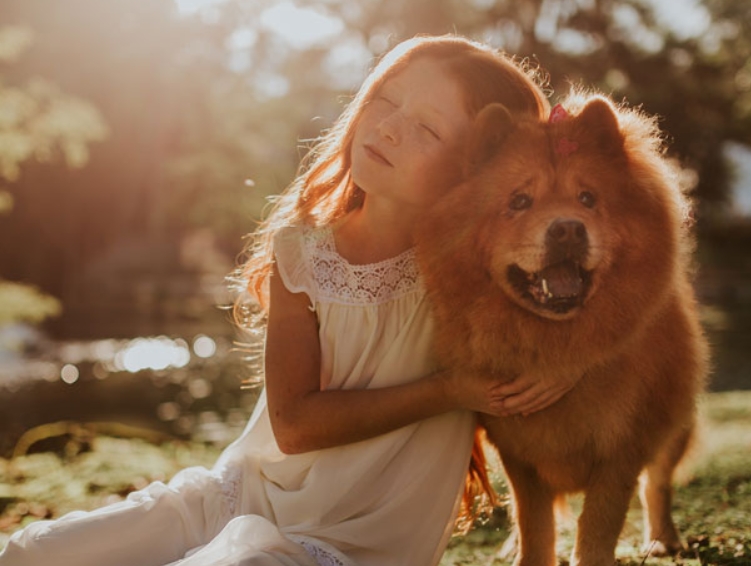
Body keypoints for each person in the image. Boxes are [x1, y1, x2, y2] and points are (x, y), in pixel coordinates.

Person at [0, 34, 579, 566]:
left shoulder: (480, 275)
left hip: (354, 541)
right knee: (32, 553)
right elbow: (295, 425)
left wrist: (569, 367)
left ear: (476, 168)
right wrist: (448, 391)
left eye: (427, 128)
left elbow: (597, 314)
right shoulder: (301, 251)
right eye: (386, 100)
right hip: (239, 496)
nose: (389, 128)